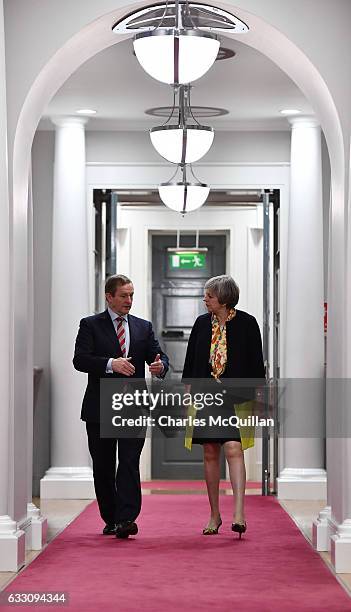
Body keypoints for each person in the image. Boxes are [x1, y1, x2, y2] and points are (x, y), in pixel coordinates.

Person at [73, 274, 169, 538]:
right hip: (100, 405)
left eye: (131, 295)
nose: (129, 300)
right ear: (109, 296)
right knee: (103, 465)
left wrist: (160, 367)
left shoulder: (143, 326)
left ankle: (126, 519)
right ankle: (112, 517)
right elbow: (80, 360)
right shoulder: (90, 325)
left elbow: (158, 356)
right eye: (124, 295)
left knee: (128, 462)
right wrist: (110, 363)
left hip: (133, 405)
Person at [182, 275, 265, 538]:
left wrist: (257, 400)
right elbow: (190, 361)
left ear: (224, 298)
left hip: (237, 396)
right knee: (209, 450)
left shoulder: (248, 323)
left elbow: (256, 364)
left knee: (233, 447)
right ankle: (214, 514)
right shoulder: (200, 324)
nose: (204, 299)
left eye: (209, 295)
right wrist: (188, 396)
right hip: (206, 396)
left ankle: (239, 512)